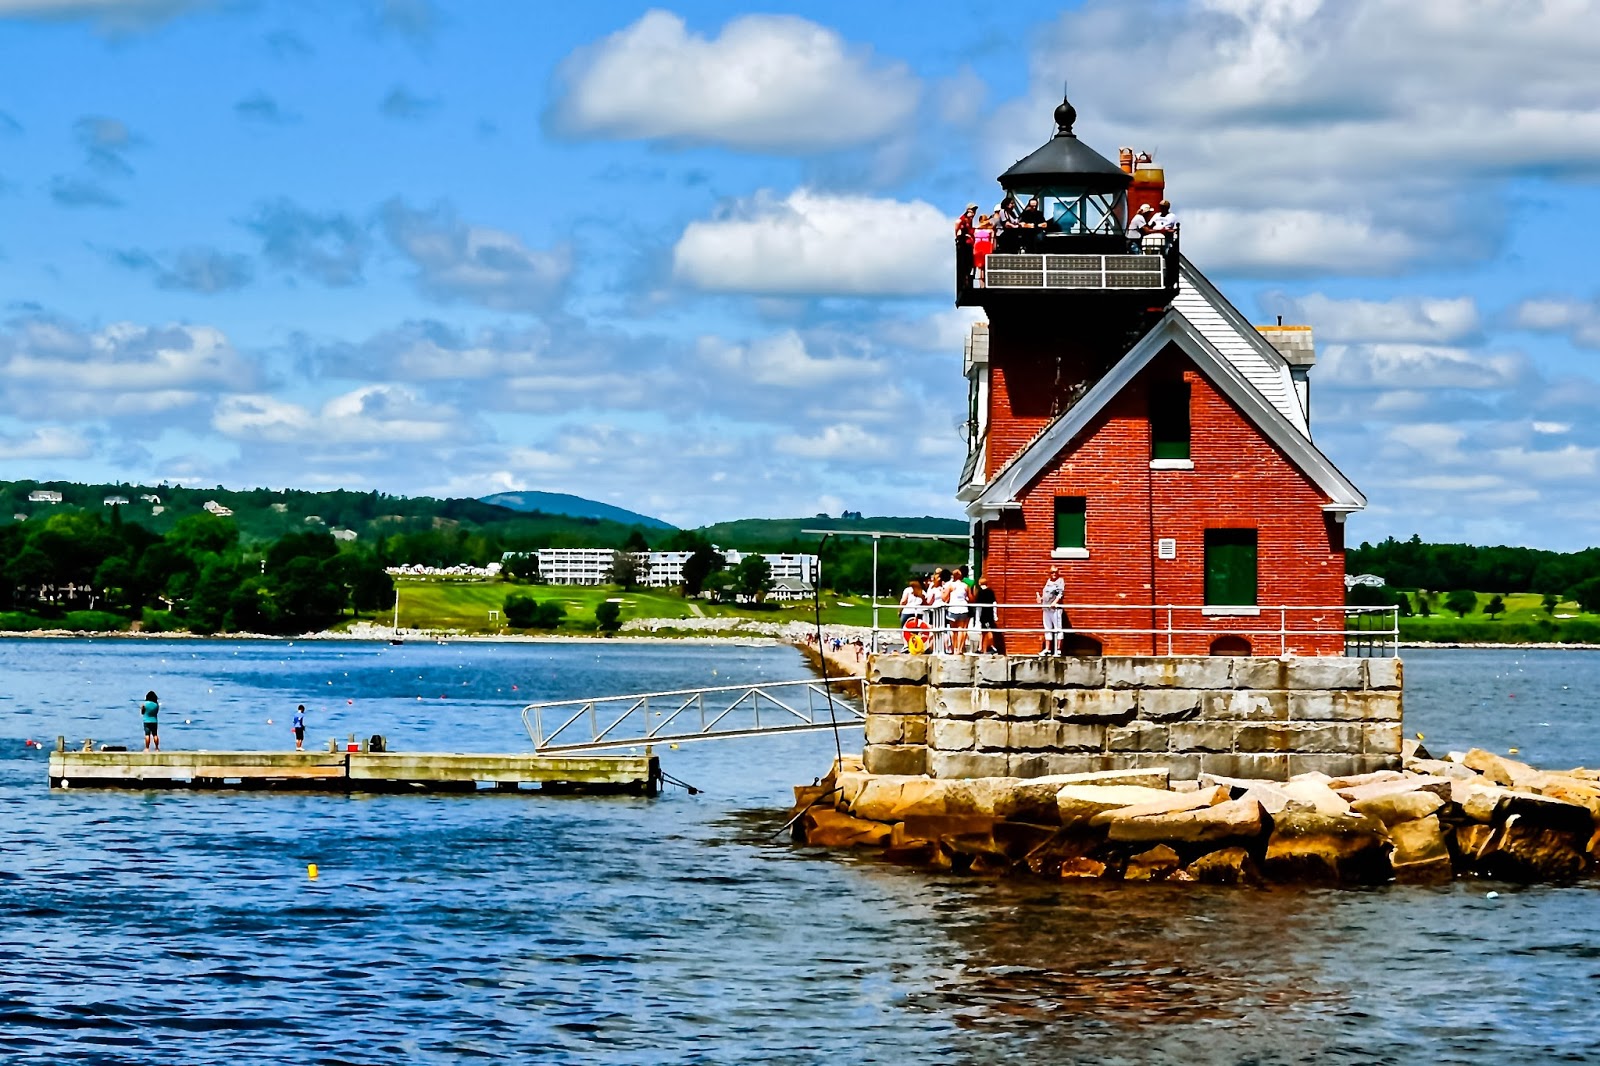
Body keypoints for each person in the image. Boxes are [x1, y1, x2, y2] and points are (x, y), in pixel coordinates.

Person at [1039, 567, 1066, 656]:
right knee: (1047, 628)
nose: (1053, 574)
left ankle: (1058, 649)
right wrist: (1041, 599)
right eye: (1052, 572)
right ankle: (1048, 649)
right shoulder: (1048, 581)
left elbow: (1060, 594)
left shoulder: (1060, 581)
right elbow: (1046, 595)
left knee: (1058, 628)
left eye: (1055, 572)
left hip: (1055, 609)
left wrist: (1055, 602)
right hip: (1046, 608)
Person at [947, 567, 971, 654]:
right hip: (963, 608)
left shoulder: (951, 586)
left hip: (953, 608)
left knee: (953, 630)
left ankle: (955, 648)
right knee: (961, 629)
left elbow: (945, 598)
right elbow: (971, 598)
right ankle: (960, 649)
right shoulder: (965, 586)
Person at [924, 569, 948, 654]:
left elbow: (929, 600)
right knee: (940, 630)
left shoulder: (934, 588)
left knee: (935, 630)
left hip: (936, 610)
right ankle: (939, 648)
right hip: (941, 610)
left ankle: (935, 648)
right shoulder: (945, 586)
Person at [898, 578, 925, 651]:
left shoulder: (907, 590)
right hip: (918, 612)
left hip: (907, 611)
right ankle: (915, 645)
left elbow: (903, 601)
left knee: (904, 628)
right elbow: (924, 601)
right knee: (915, 630)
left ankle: (906, 645)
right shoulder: (922, 591)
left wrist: (899, 610)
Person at [955, 204, 977, 289]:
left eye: (974, 211)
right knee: (964, 263)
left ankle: (967, 280)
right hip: (965, 244)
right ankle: (965, 281)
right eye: (972, 211)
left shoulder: (970, 220)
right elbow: (957, 223)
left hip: (970, 244)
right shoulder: (963, 219)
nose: (973, 213)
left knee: (970, 263)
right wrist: (958, 235)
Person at [971, 213, 994, 287]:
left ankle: (981, 285)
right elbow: (992, 241)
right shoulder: (990, 230)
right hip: (986, 247)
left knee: (980, 268)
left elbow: (974, 241)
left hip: (977, 248)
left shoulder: (976, 230)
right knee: (985, 268)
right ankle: (985, 285)